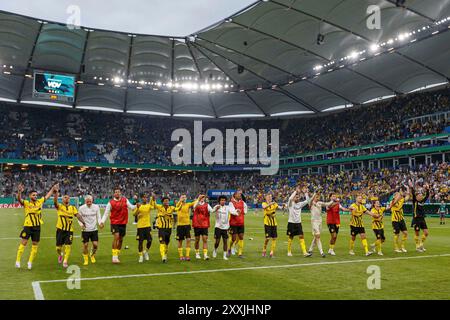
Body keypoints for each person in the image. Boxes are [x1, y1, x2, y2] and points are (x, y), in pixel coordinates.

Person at [15, 183, 57, 269]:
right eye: (33, 195)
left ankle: (30, 262)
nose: (35, 196)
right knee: (24, 243)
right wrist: (19, 192)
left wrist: (52, 189)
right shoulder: (26, 203)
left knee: (35, 245)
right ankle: (18, 261)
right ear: (30, 196)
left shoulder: (39, 202)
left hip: (37, 227)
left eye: (36, 195)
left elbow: (47, 196)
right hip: (28, 226)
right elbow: (19, 199)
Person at [100, 187, 137, 263]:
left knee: (121, 239)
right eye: (116, 192)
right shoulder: (110, 203)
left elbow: (132, 208)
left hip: (123, 223)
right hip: (114, 223)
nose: (117, 193)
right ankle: (114, 257)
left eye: (118, 192)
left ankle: (117, 254)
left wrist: (137, 203)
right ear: (114, 194)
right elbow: (106, 214)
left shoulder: (125, 200)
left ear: (120, 193)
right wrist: (102, 222)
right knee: (116, 237)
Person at [53, 187, 86, 268]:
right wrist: (56, 193)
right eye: (65, 197)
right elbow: (55, 202)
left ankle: (65, 261)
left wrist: (83, 222)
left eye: (68, 197)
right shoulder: (59, 206)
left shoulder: (73, 208)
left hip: (69, 231)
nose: (67, 198)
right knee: (58, 248)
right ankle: (60, 254)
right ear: (62, 199)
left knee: (68, 246)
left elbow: (78, 215)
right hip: (60, 230)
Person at [286, 186, 312, 257]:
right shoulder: (290, 204)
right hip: (291, 223)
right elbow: (290, 198)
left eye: (298, 197)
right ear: (294, 197)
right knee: (291, 237)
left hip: (298, 223)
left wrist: (306, 193)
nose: (297, 198)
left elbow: (307, 201)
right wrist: (296, 191)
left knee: (301, 236)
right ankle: (289, 251)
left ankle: (304, 252)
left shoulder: (300, 204)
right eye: (296, 197)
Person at [77, 195, 103, 266]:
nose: (89, 203)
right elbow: (78, 218)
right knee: (85, 245)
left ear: (92, 201)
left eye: (90, 201)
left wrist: (100, 223)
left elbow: (99, 217)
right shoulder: (81, 208)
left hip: (94, 229)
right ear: (85, 201)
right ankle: (85, 259)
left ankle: (92, 255)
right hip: (85, 230)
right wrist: (81, 225)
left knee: (95, 245)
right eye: (87, 201)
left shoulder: (96, 207)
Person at [308, 192, 334, 257]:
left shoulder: (319, 203)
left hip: (320, 221)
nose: (317, 198)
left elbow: (326, 204)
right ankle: (322, 252)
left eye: (318, 197)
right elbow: (310, 200)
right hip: (314, 222)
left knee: (316, 237)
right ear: (314, 197)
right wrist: (314, 194)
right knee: (318, 236)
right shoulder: (311, 203)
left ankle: (310, 249)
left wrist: (332, 200)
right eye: (316, 197)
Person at [212, 196, 237, 260]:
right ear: (219, 201)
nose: (223, 201)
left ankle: (224, 255)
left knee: (225, 241)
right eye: (221, 200)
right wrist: (216, 209)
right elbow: (212, 211)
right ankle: (215, 249)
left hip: (225, 227)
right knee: (217, 242)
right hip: (218, 227)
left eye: (224, 200)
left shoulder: (227, 207)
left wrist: (237, 212)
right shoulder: (217, 206)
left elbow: (233, 212)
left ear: (225, 201)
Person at [153, 194, 176, 263]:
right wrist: (153, 199)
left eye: (168, 201)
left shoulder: (171, 208)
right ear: (162, 202)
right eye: (165, 201)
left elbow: (178, 209)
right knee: (162, 241)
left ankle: (165, 253)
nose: (167, 202)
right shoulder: (160, 207)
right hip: (161, 228)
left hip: (169, 228)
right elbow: (154, 205)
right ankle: (163, 256)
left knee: (167, 242)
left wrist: (180, 202)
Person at [387, 186, 410, 253]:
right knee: (397, 234)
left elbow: (407, 197)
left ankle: (402, 246)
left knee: (405, 233)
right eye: (397, 194)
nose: (399, 195)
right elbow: (395, 202)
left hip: (401, 219)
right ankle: (396, 247)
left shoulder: (401, 200)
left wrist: (408, 188)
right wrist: (399, 194)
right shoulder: (392, 201)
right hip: (395, 220)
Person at [409, 181, 430, 252]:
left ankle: (421, 244)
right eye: (419, 195)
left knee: (426, 233)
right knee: (417, 233)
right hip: (416, 219)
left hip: (422, 219)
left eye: (421, 195)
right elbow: (413, 194)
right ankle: (417, 247)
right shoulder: (415, 201)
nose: (420, 196)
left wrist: (427, 189)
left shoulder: (422, 201)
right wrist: (412, 187)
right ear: (417, 196)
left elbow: (427, 196)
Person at [133, 193, 154, 263]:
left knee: (150, 240)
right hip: (140, 227)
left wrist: (152, 199)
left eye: (146, 197)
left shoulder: (148, 206)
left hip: (147, 226)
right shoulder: (139, 205)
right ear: (142, 198)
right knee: (140, 242)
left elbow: (153, 206)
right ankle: (141, 256)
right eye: (144, 197)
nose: (145, 198)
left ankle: (146, 251)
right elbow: (134, 214)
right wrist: (138, 208)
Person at [175, 194, 196, 261]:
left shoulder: (188, 204)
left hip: (187, 225)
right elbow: (177, 206)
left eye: (184, 197)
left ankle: (187, 255)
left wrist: (198, 198)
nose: (184, 198)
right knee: (180, 241)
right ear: (180, 198)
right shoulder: (178, 204)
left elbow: (194, 203)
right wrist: (180, 201)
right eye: (182, 197)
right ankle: (181, 255)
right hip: (180, 225)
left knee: (188, 240)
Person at [192, 194, 213, 260]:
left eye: (203, 197)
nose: (202, 198)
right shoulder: (196, 203)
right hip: (197, 224)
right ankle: (197, 253)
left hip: (204, 224)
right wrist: (198, 199)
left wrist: (216, 208)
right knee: (197, 240)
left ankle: (205, 255)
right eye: (201, 197)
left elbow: (212, 211)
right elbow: (194, 207)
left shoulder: (207, 205)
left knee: (204, 239)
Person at [228, 190, 247, 258]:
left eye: (240, 194)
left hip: (241, 223)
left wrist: (243, 212)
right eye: (238, 194)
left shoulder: (243, 203)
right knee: (233, 238)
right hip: (233, 223)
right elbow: (231, 211)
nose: (240, 195)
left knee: (241, 237)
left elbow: (245, 210)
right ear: (235, 195)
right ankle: (229, 249)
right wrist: (236, 211)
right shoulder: (231, 203)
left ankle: (240, 253)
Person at [262, 193, 278, 258]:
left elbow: (278, 207)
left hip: (274, 223)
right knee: (267, 238)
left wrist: (283, 206)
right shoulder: (264, 203)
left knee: (274, 238)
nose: (270, 198)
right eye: (268, 197)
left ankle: (271, 252)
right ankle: (264, 250)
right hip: (267, 223)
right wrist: (270, 204)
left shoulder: (274, 204)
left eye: (271, 197)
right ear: (266, 197)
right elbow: (264, 207)